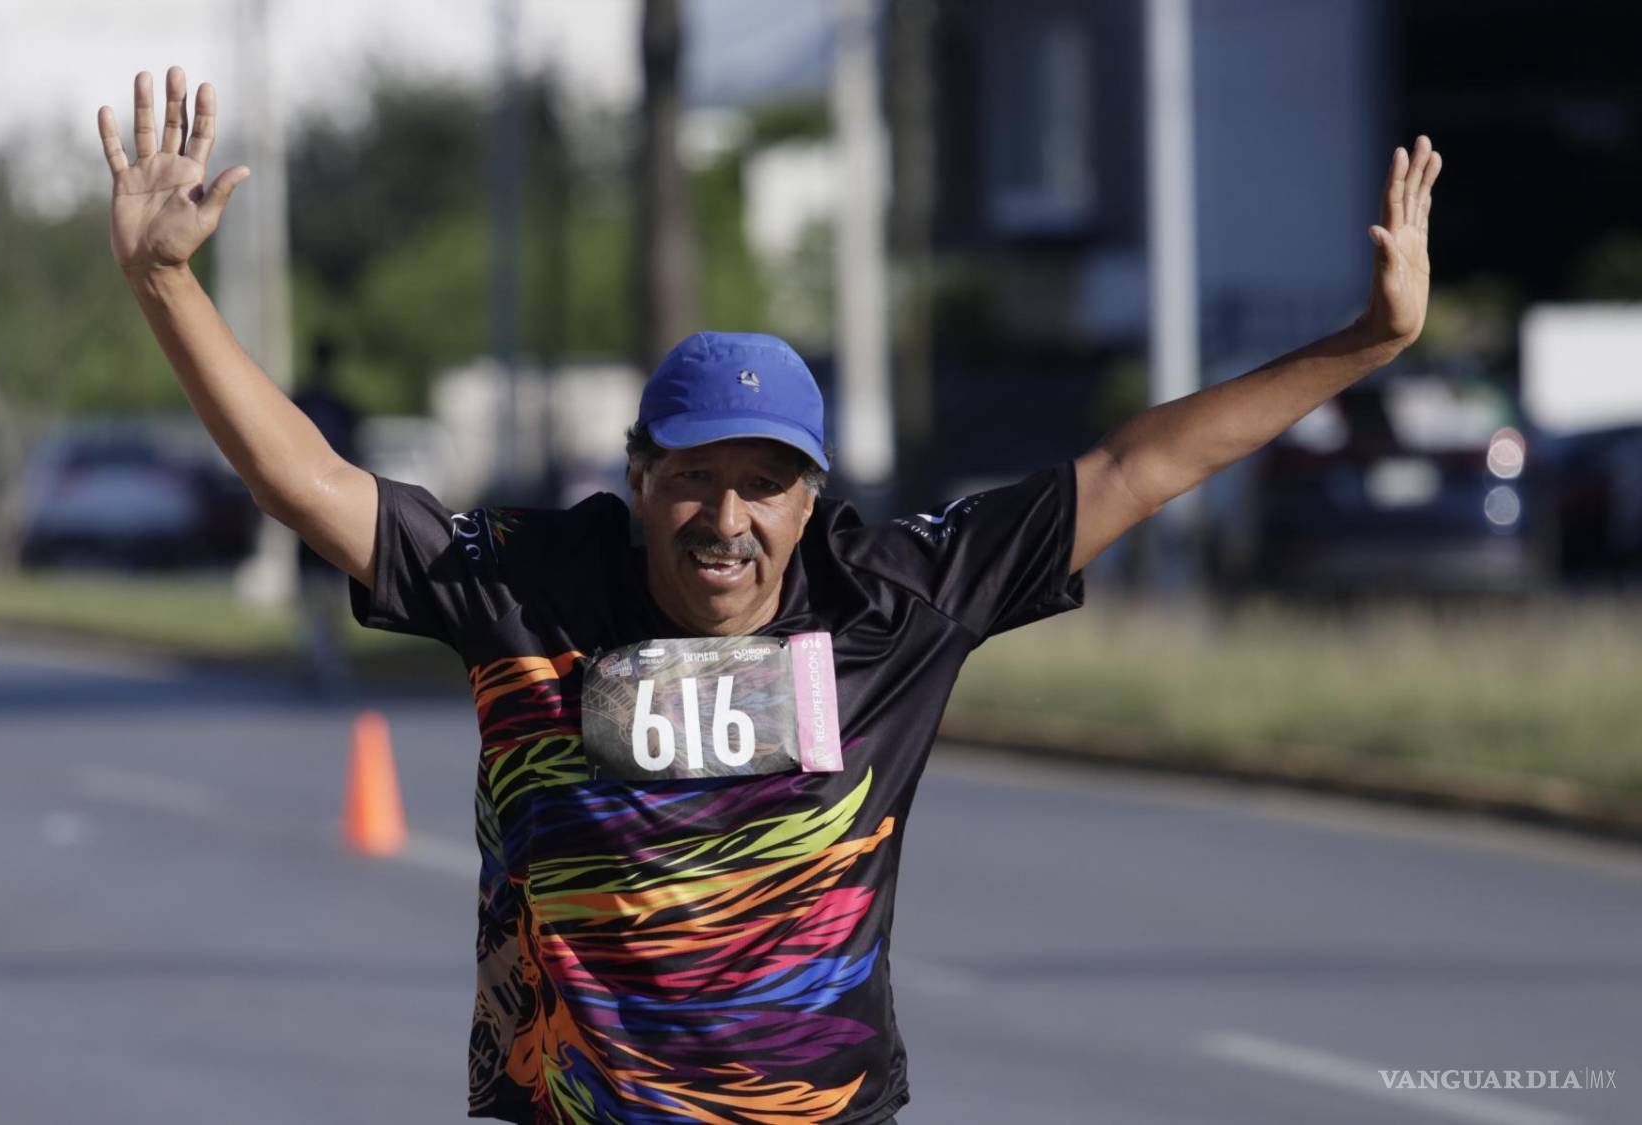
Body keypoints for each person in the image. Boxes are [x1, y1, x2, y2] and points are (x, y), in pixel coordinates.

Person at [100, 66, 1440, 1125]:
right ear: (636, 478)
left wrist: (1365, 343)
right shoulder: (526, 589)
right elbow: (310, 483)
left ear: (811, 499)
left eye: (765, 484)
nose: (726, 519)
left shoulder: (892, 600)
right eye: (692, 478)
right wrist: (167, 283)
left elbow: (1138, 464)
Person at [290, 335, 361, 689]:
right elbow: (360, 462)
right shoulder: (343, 409)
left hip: (307, 512)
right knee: (330, 595)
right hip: (338, 511)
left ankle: (320, 659)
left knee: (315, 596)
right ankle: (327, 660)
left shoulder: (298, 405)